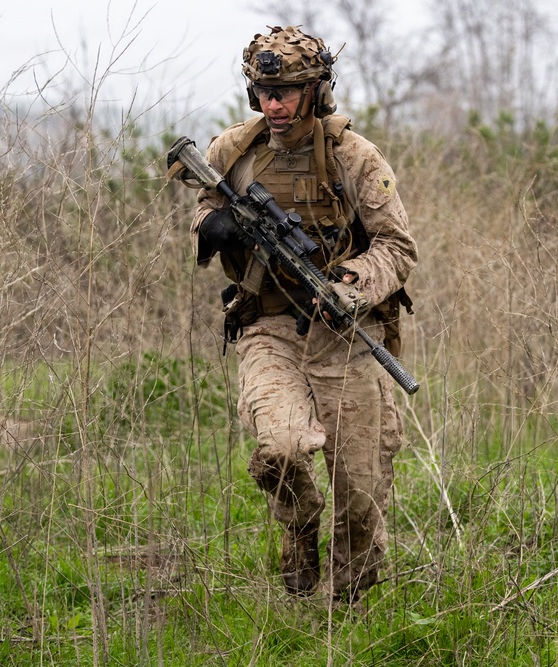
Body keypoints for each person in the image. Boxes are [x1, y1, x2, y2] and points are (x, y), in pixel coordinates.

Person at [190, 26, 418, 604]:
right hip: (266, 324)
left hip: (344, 331)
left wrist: (350, 283)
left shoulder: (354, 157)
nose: (276, 104)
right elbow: (203, 210)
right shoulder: (231, 153)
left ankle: (349, 608)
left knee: (362, 488)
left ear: (317, 90)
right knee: (282, 450)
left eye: (288, 91)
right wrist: (212, 227)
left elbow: (397, 248)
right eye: (265, 92)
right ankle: (299, 523)